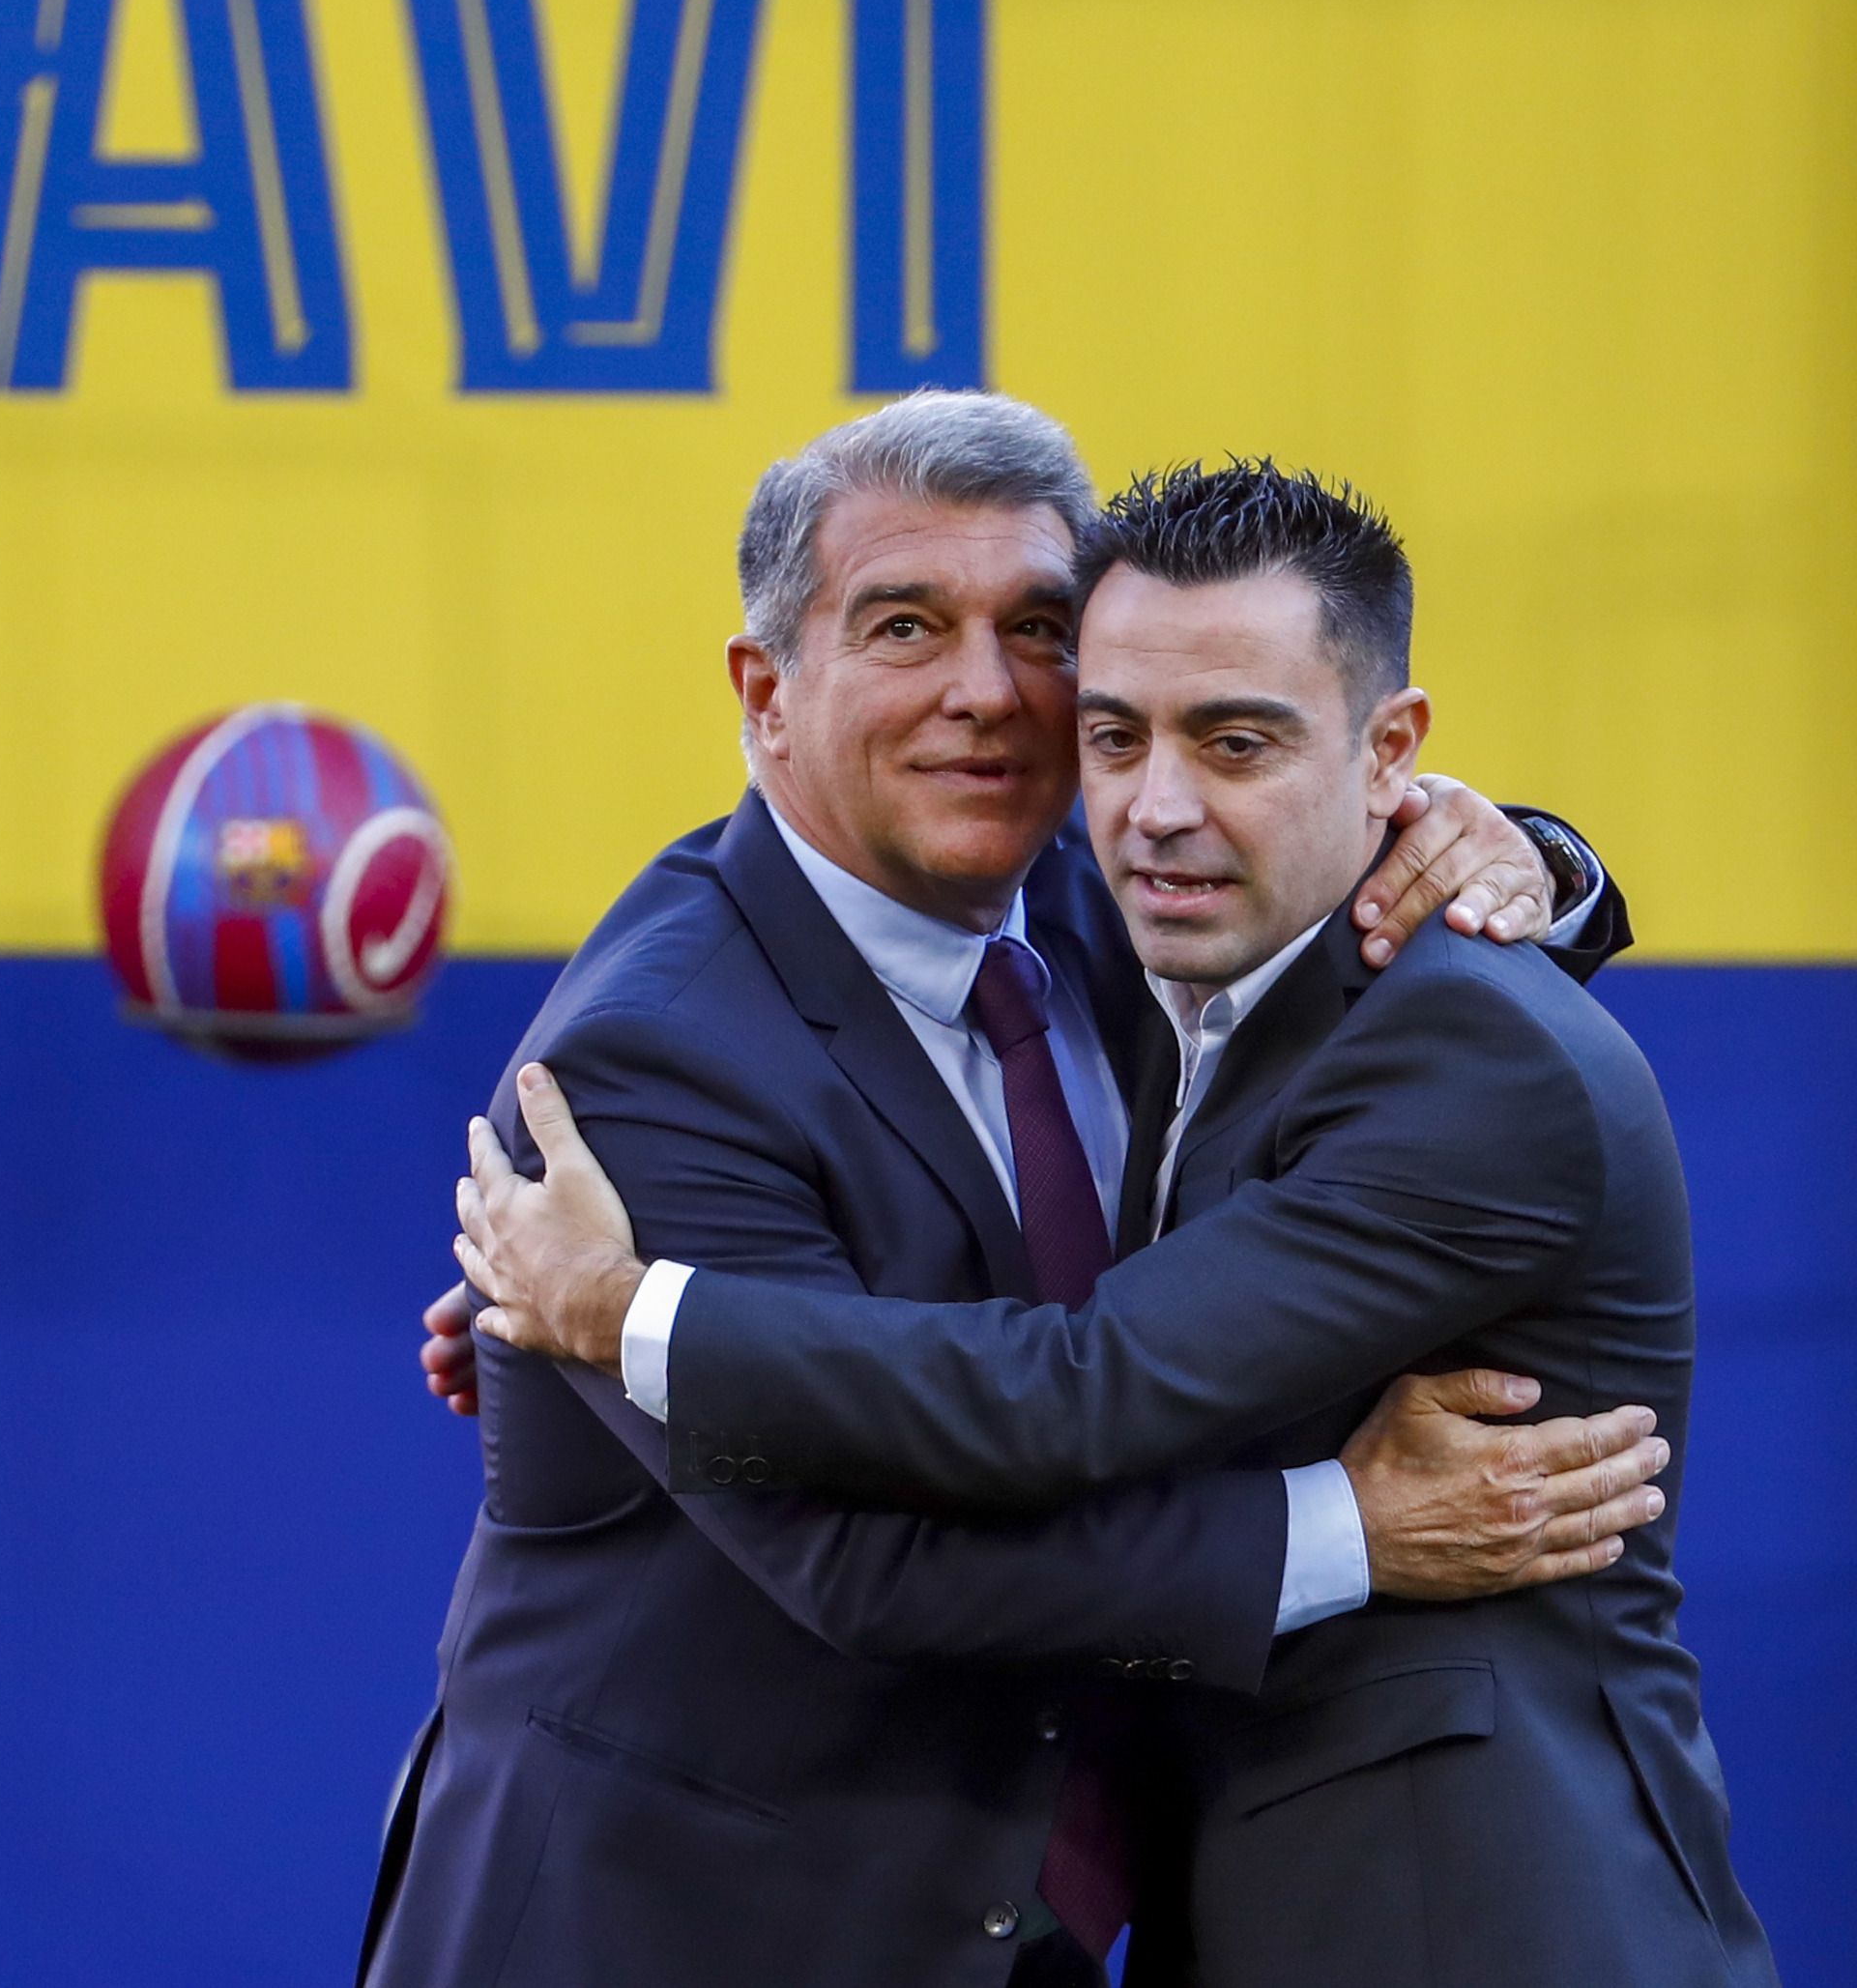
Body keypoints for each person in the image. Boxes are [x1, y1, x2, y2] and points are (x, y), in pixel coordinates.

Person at [364, 394, 1651, 1988]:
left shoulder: (1108, 904)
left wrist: (1515, 862)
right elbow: (875, 1563)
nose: (985, 691)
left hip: (1016, 1930)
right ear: (766, 693)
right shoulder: (642, 1066)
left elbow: (1337, 926)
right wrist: (1353, 1530)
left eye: (1036, 630)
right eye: (904, 626)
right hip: (677, 1930)